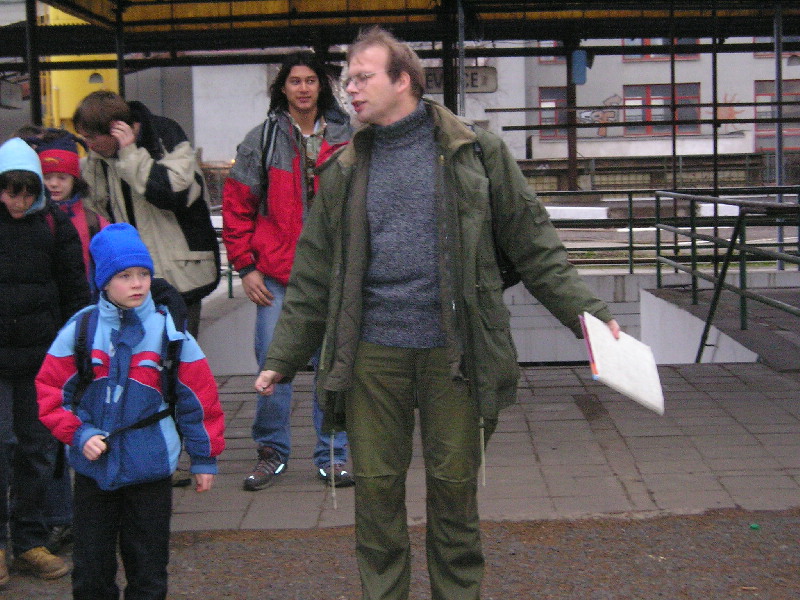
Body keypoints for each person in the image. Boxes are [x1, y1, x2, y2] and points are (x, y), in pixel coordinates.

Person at [254, 27, 621, 600]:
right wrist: (282, 356)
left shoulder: (476, 152)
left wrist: (588, 317)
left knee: (454, 491)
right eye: (347, 79)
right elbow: (313, 275)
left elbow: (534, 244)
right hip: (371, 355)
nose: (349, 89)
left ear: (403, 80)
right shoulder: (343, 168)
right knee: (376, 491)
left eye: (363, 77)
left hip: (457, 353)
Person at [36, 222, 226, 599]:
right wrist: (79, 433)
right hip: (93, 471)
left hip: (151, 466)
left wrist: (204, 458)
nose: (137, 284)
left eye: (143, 274)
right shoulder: (81, 330)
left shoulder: (170, 333)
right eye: (124, 276)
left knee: (149, 569)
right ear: (104, 282)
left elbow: (200, 400)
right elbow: (50, 391)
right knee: (91, 570)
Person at [222, 51, 354, 490]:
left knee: (332, 368)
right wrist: (245, 267)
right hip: (278, 276)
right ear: (283, 87)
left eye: (310, 80)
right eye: (295, 81)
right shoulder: (261, 140)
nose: (303, 88)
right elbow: (237, 208)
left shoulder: (349, 137)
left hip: (334, 275)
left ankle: (333, 453)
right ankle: (271, 452)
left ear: (322, 86)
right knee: (272, 368)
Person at [0, 137, 90, 586]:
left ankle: (29, 541)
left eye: (27, 193)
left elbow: (74, 291)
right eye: (10, 192)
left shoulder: (55, 225)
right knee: (2, 448)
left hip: (40, 359)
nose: (19, 202)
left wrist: (78, 352)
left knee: (37, 452)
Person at [73, 91, 220, 338]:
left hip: (179, 274)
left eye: (92, 138)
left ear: (116, 131)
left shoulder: (163, 135)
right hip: (130, 277)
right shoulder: (98, 160)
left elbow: (174, 193)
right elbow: (94, 206)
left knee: (179, 350)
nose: (89, 145)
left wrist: (130, 155)